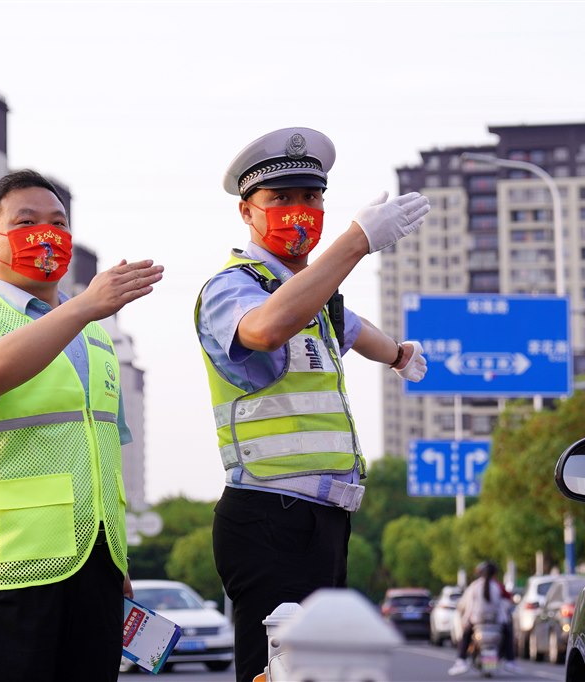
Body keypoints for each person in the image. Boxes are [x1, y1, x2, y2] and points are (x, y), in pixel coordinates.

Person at [196, 127, 430, 682]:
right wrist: (354, 243)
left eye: (310, 198)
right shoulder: (231, 287)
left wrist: (397, 354)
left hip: (322, 521)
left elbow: (351, 326)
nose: (298, 212)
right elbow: (266, 327)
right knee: (279, 671)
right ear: (246, 212)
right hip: (269, 518)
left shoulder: (315, 298)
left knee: (320, 672)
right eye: (280, 199)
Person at [0, 169, 164, 682]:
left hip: (96, 566)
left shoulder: (98, 340)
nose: (47, 233)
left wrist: (116, 560)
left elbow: (103, 457)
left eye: (58, 223)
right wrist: (84, 306)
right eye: (27, 221)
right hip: (13, 568)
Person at [449, 561, 519, 676]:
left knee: (466, 636)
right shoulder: (498, 586)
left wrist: (465, 619)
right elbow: (507, 602)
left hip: (477, 622)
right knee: (508, 634)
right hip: (496, 623)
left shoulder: (474, 586)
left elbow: (467, 605)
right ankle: (510, 660)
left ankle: (461, 660)